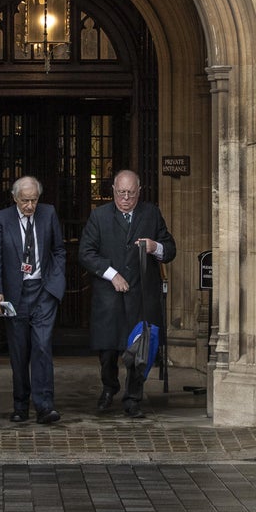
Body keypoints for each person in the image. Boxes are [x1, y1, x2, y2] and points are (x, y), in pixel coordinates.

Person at [77, 169, 176, 418]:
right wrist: (112, 274)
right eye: (121, 192)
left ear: (139, 192)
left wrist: (156, 247)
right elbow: (86, 253)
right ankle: (109, 388)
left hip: (141, 295)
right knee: (108, 351)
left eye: (131, 193)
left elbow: (171, 249)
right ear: (113, 191)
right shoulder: (99, 217)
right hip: (109, 297)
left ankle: (133, 398)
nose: (126, 198)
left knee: (139, 350)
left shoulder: (151, 214)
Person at [0, 175, 66, 424]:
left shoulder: (48, 213)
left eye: (33, 200)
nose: (29, 206)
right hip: (15, 294)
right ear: (14, 198)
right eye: (24, 201)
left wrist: (55, 282)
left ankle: (45, 406)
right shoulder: (1, 220)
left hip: (43, 291)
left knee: (42, 347)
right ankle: (20, 405)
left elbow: (59, 249)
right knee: (19, 352)